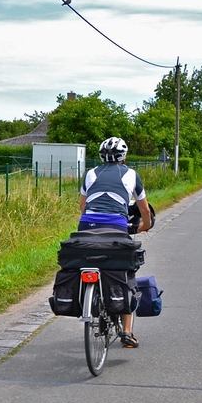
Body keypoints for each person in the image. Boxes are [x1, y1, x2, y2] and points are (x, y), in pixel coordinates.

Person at [79, 136, 152, 348]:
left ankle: (89, 297)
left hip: (86, 226)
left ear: (101, 157)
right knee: (126, 271)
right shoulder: (131, 174)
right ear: (124, 157)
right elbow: (145, 210)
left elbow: (82, 206)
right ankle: (127, 331)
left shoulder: (90, 173)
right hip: (117, 227)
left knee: (89, 260)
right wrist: (144, 226)